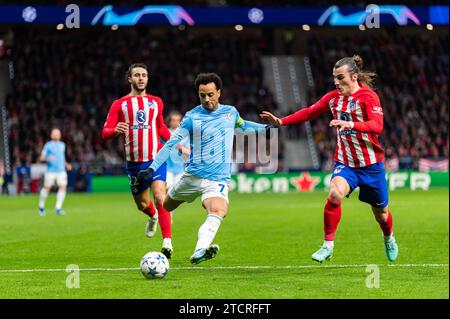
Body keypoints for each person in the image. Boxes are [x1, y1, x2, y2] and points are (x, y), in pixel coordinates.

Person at [260, 55, 398, 263]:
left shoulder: (369, 98)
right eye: (334, 77)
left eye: (340, 77)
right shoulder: (333, 98)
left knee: (381, 214)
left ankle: (388, 237)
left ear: (353, 77)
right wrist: (281, 121)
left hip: (371, 166)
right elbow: (309, 112)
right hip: (346, 164)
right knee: (335, 193)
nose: (336, 82)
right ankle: (328, 246)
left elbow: (377, 126)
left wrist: (351, 125)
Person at [137, 73, 270, 264]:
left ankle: (200, 250)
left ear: (219, 93)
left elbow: (243, 125)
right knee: (166, 205)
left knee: (219, 209)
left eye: (210, 94)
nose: (207, 99)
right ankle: (157, 216)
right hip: (192, 177)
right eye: (202, 95)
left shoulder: (230, 113)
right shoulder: (191, 117)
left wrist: (264, 129)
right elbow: (171, 143)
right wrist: (152, 168)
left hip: (217, 179)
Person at [102, 63, 175, 259]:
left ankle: (167, 241)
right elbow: (105, 132)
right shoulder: (119, 105)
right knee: (142, 204)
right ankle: (152, 216)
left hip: (156, 158)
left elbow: (160, 128)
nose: (141, 78)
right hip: (135, 163)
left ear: (147, 78)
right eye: (137, 75)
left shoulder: (156, 102)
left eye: (144, 75)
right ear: (129, 79)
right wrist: (114, 130)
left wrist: (176, 144)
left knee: (160, 196)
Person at [38, 128, 71, 216]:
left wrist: (66, 164)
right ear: (51, 135)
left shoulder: (62, 145)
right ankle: (41, 207)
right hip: (51, 171)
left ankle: (58, 208)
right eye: (54, 133)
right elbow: (41, 158)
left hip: (61, 170)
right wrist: (47, 158)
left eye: (58, 133)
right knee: (47, 188)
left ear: (60, 135)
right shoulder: (48, 145)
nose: (56, 135)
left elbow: (62, 157)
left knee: (63, 187)